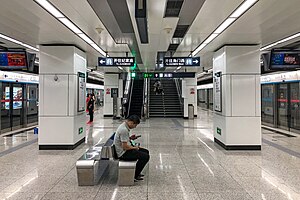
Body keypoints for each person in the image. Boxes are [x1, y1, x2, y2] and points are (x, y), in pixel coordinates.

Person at [113, 115, 150, 181]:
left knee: (146, 151)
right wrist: (135, 148)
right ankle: (134, 175)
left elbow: (124, 141)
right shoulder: (124, 130)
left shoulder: (124, 126)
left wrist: (131, 138)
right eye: (135, 125)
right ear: (131, 122)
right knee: (146, 156)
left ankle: (136, 172)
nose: (135, 127)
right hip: (123, 153)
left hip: (125, 150)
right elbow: (125, 147)